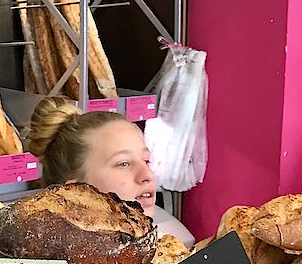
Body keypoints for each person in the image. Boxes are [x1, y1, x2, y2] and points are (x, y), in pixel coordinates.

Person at [27, 98, 198, 246]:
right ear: (75, 193)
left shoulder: (165, 251)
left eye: (146, 161)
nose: (147, 175)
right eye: (123, 164)